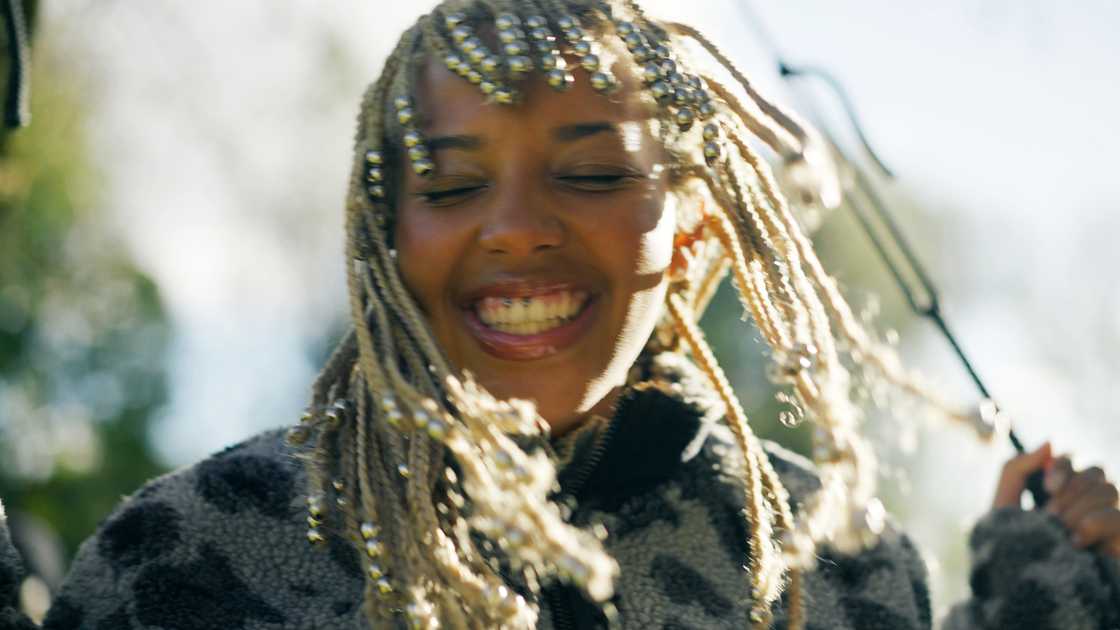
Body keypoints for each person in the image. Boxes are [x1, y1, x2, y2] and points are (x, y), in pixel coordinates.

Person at [2, 0, 1119, 628]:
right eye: (449, 185)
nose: (517, 226)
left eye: (588, 174)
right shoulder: (194, 553)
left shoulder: (834, 566)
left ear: (692, 231)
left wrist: (1057, 580)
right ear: (387, 237)